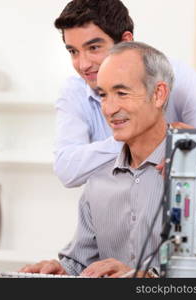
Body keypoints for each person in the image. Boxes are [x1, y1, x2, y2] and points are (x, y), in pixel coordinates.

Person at [21, 41, 173, 278]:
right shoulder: (98, 180)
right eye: (103, 95)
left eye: (121, 93)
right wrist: (59, 271)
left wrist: (147, 277)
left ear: (158, 94)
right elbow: (81, 265)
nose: (109, 109)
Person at [53, 0, 196, 188]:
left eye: (94, 48)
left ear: (126, 41)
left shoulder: (178, 77)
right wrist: (143, 137)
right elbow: (67, 170)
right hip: (112, 208)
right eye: (73, 51)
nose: (83, 64)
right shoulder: (74, 91)